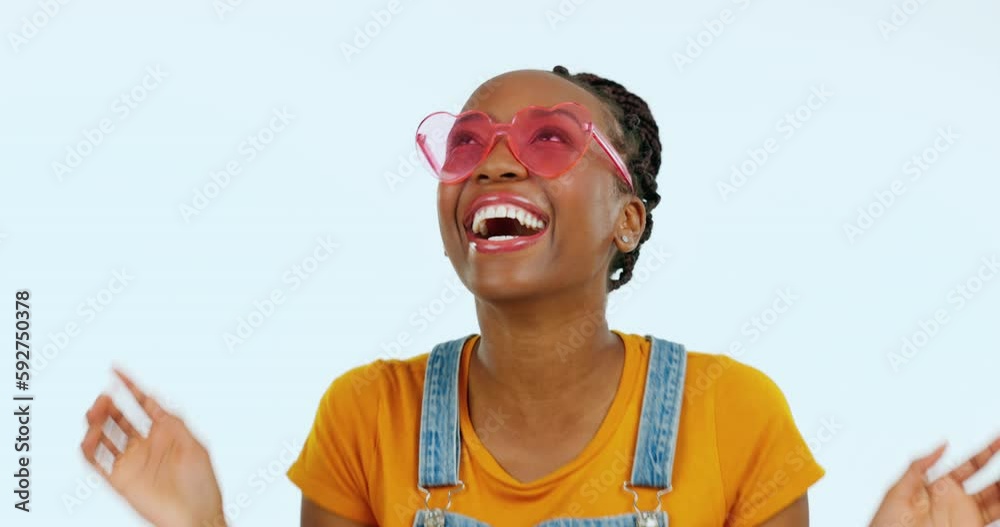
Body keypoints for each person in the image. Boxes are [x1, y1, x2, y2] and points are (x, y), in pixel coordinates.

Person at [80, 66, 1000, 527]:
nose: (499, 160)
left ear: (626, 221)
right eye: (468, 144)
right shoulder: (367, 416)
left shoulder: (735, 416)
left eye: (551, 140)